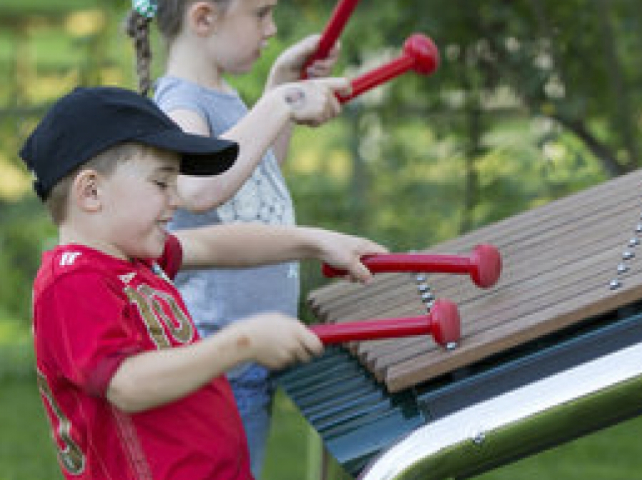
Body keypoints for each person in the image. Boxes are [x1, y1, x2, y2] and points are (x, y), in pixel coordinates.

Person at [21, 86, 385, 480]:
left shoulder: (130, 259)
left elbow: (216, 243)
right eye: (161, 184)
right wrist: (242, 342)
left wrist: (316, 243)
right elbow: (126, 384)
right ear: (91, 192)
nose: (175, 200)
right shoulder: (73, 280)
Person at [125, 0, 352, 473]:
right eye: (260, 13)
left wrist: (279, 85)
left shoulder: (219, 93)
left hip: (252, 352)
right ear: (204, 18)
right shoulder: (180, 103)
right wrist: (279, 104)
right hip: (221, 357)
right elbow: (200, 186)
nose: (271, 29)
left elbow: (252, 182)